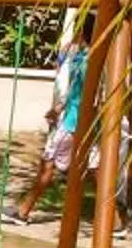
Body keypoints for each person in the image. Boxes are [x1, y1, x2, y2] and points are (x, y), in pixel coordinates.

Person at [10, 24, 90, 223]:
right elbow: (72, 92)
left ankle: (23, 211)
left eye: (77, 31)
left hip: (71, 123)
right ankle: (116, 221)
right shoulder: (82, 58)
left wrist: (60, 111)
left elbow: (78, 95)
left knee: (48, 164)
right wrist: (57, 110)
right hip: (74, 120)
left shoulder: (84, 62)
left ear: (82, 33)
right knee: (83, 169)